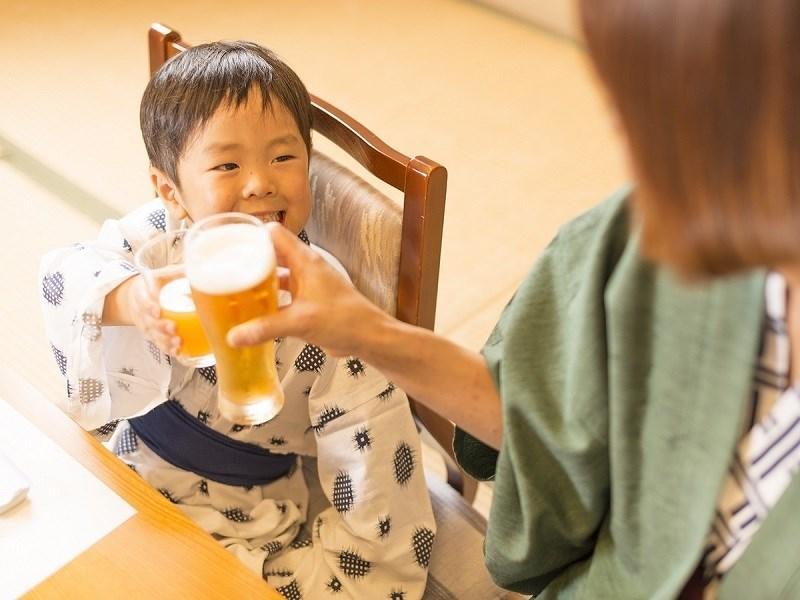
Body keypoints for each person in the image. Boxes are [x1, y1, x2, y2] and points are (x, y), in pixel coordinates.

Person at [227, 2, 800, 598]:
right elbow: (542, 421)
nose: (639, 157)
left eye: (676, 122)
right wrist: (364, 330)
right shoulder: (645, 230)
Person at [39, 41, 435, 599]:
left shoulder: (325, 307)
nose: (259, 183)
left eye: (283, 156)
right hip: (120, 456)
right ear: (170, 191)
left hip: (233, 512)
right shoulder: (157, 243)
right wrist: (131, 299)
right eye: (227, 164)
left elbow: (374, 457)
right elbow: (62, 273)